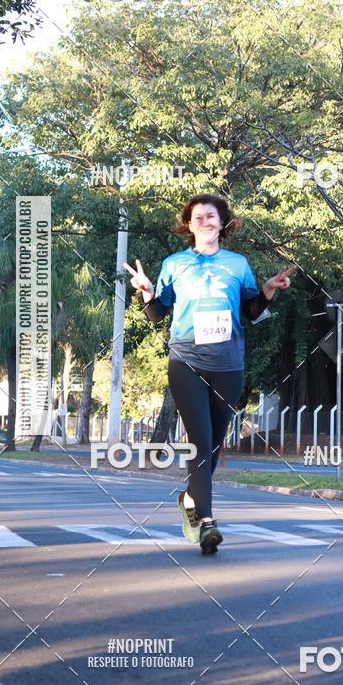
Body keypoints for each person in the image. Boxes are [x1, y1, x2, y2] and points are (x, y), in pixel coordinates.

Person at [124, 193, 294, 555]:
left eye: (211, 216)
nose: (205, 222)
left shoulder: (237, 264)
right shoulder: (174, 264)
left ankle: (189, 498)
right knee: (201, 441)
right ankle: (207, 522)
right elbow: (157, 315)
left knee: (214, 445)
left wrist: (267, 289)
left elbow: (251, 310)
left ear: (223, 223)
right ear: (188, 224)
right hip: (186, 361)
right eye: (198, 217)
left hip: (229, 364)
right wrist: (147, 291)